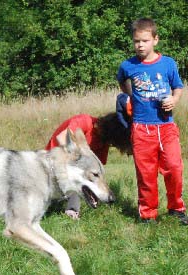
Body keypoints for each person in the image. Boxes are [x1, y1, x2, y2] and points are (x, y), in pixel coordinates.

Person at [117, 18, 187, 225]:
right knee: (146, 173)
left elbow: (178, 86)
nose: (140, 45)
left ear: (155, 40)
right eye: (136, 41)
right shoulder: (128, 65)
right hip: (141, 128)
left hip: (166, 126)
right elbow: (122, 82)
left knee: (174, 168)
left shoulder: (168, 63)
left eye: (145, 41)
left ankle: (176, 208)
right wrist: (133, 97)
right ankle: (148, 214)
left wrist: (174, 100)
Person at [45, 94, 134, 219]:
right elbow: (64, 140)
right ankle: (71, 209)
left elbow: (96, 173)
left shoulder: (103, 143)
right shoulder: (84, 121)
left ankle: (64, 203)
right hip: (53, 164)